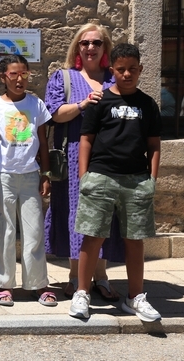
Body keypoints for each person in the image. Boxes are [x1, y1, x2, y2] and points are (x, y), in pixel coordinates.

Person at [69, 43, 162, 322]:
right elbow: (86, 140)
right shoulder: (101, 101)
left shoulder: (147, 104)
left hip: (136, 181)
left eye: (132, 69)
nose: (127, 74)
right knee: (93, 236)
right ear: (113, 70)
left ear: (140, 70)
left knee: (135, 240)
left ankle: (135, 297)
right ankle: (82, 293)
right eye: (121, 69)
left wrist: (152, 179)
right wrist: (84, 176)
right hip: (101, 177)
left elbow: (154, 145)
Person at [44, 23, 125, 301]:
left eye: (97, 43)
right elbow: (54, 113)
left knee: (105, 215)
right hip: (73, 155)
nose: (90, 47)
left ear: (105, 48)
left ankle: (100, 276)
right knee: (76, 214)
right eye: (85, 43)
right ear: (77, 47)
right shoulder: (63, 78)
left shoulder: (113, 79)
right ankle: (76, 276)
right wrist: (82, 105)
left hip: (108, 159)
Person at [0, 55, 57, 307]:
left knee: (34, 230)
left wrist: (45, 174)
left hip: (30, 175)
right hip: (2, 174)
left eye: (23, 74)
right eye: (13, 74)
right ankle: (4, 284)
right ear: (3, 77)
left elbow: (44, 141)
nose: (19, 79)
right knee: (3, 230)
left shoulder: (35, 104)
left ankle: (38, 283)